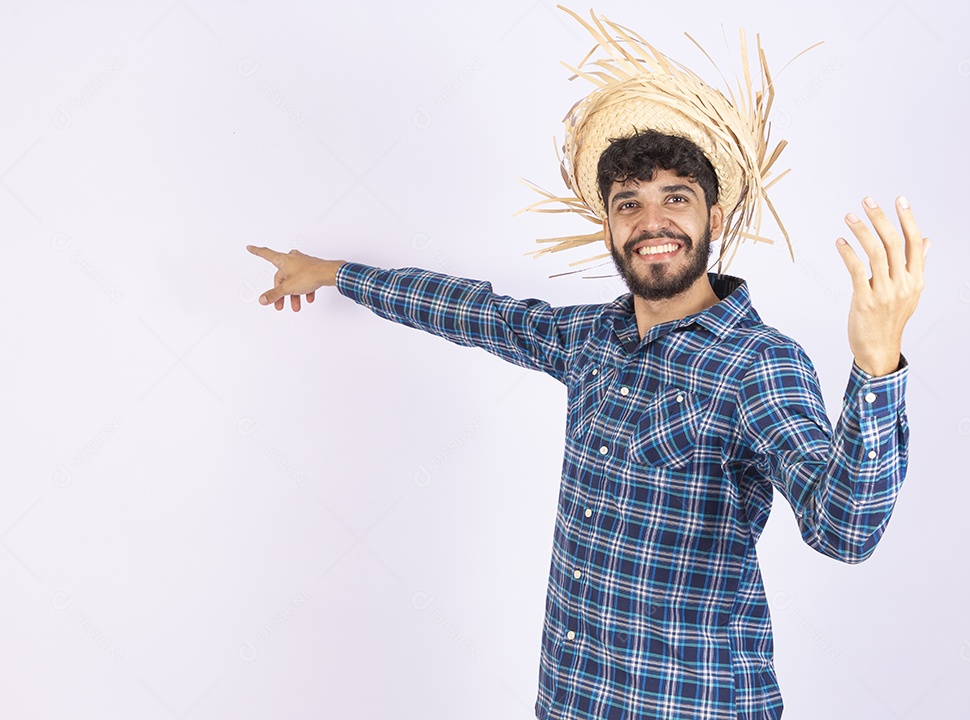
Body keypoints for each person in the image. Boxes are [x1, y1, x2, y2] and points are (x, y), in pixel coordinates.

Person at [246, 9, 927, 719]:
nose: (652, 222)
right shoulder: (593, 340)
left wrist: (876, 365)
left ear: (715, 218)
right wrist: (331, 271)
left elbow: (845, 530)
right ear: (608, 224)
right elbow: (475, 312)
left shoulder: (758, 364)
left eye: (677, 199)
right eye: (629, 203)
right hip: (573, 701)